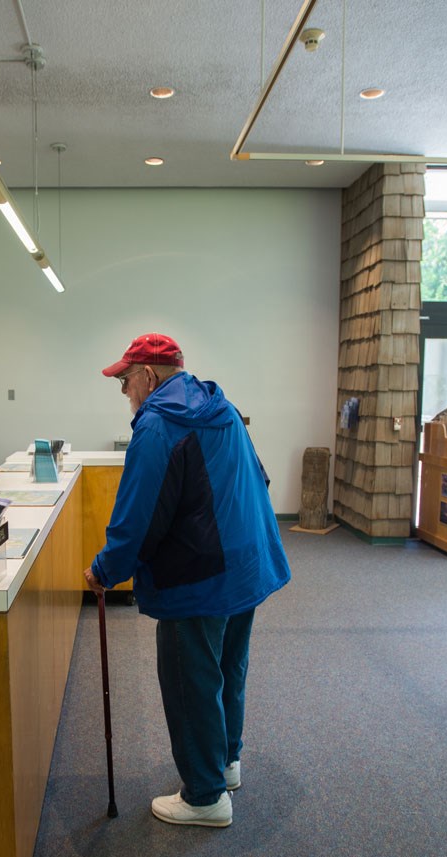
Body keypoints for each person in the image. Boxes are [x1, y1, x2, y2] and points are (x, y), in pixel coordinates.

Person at [83, 333, 290, 828]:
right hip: (245, 562)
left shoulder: (157, 425)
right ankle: (224, 761)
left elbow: (139, 515)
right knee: (226, 667)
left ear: (149, 377)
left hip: (198, 573)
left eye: (126, 379)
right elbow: (259, 478)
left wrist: (105, 570)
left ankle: (204, 796)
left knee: (190, 679)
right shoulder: (221, 405)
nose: (123, 390)